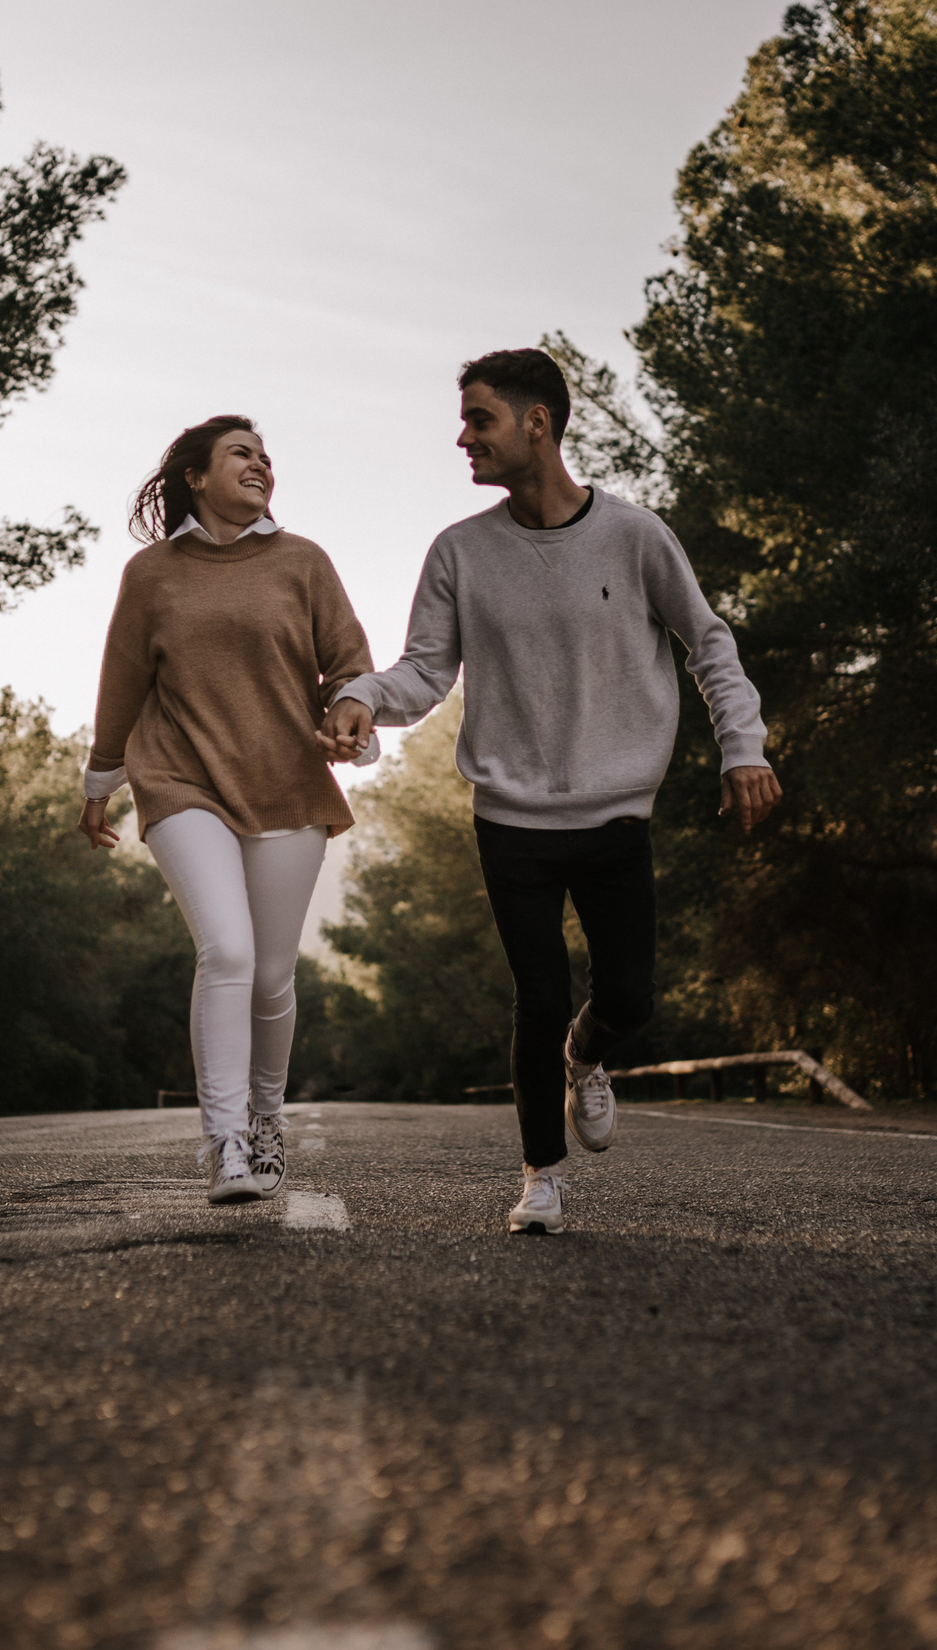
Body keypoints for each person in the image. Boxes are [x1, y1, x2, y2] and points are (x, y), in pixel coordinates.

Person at [317, 348, 781, 1235]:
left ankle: (586, 1054)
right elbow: (424, 672)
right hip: (511, 815)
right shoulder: (459, 551)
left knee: (630, 996)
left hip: (616, 808)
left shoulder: (635, 536)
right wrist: (363, 697)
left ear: (537, 423)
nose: (463, 438)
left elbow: (710, 642)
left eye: (479, 418)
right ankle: (542, 1175)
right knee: (537, 991)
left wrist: (743, 746)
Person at [78, 415, 379, 1204]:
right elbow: (121, 681)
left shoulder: (302, 561)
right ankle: (225, 1141)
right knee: (229, 950)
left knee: (272, 975)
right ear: (196, 476)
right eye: (241, 453)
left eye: (266, 456)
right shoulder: (153, 573)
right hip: (180, 779)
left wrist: (349, 711)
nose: (260, 464)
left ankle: (267, 1118)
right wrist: (100, 782)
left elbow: (350, 662)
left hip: (286, 781)